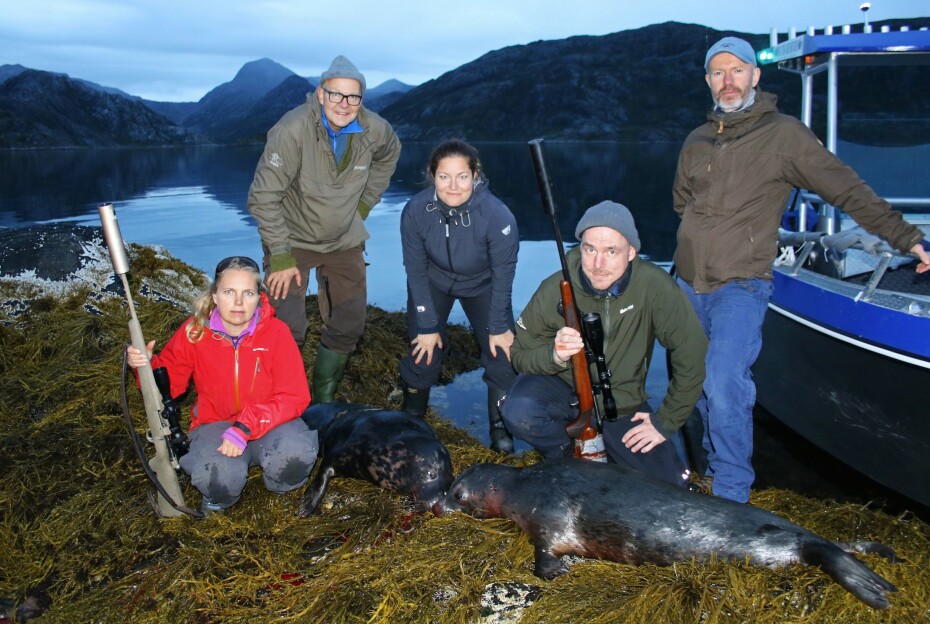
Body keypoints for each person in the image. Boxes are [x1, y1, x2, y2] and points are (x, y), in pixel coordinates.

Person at [673, 36, 930, 503]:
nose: (727, 81)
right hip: (688, 283)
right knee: (696, 382)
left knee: (726, 381)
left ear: (755, 76)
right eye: (718, 72)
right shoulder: (696, 141)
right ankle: (712, 467)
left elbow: (846, 190)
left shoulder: (785, 135)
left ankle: (731, 496)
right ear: (708, 81)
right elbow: (681, 202)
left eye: (737, 71)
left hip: (740, 283)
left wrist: (908, 238)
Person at [501, 201, 707, 485]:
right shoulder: (557, 286)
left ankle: (607, 457)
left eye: (611, 251)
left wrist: (664, 422)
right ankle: (570, 460)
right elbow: (520, 353)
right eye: (590, 249)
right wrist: (555, 355)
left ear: (631, 252)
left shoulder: (654, 287)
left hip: (620, 404)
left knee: (672, 484)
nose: (598, 265)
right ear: (581, 247)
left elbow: (692, 353)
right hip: (565, 390)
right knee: (519, 408)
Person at [247, 55, 402, 403]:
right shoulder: (291, 130)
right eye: (336, 95)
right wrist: (282, 255)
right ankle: (281, 398)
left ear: (361, 100)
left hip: (344, 237)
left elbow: (390, 154)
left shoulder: (373, 129)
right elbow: (263, 196)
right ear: (320, 94)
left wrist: (362, 206)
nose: (344, 105)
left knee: (350, 321)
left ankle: (323, 401)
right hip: (293, 238)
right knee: (287, 328)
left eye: (353, 97)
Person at [127, 256, 317, 516]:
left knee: (296, 458)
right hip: (214, 423)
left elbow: (294, 396)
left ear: (259, 297)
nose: (238, 302)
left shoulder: (277, 333)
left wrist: (246, 425)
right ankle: (219, 500)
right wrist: (144, 366)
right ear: (215, 296)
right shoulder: (194, 332)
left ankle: (279, 488)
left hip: (270, 423)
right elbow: (168, 389)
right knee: (219, 481)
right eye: (229, 292)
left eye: (247, 293)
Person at [398, 139, 519, 452]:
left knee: (502, 354)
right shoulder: (416, 210)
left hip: (484, 284)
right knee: (423, 351)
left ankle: (500, 429)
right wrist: (426, 324)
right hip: (434, 281)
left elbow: (504, 273)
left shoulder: (497, 215)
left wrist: (496, 325)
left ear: (475, 174)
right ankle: (412, 419)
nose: (453, 186)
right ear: (432, 175)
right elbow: (415, 269)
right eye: (444, 176)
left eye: (462, 176)